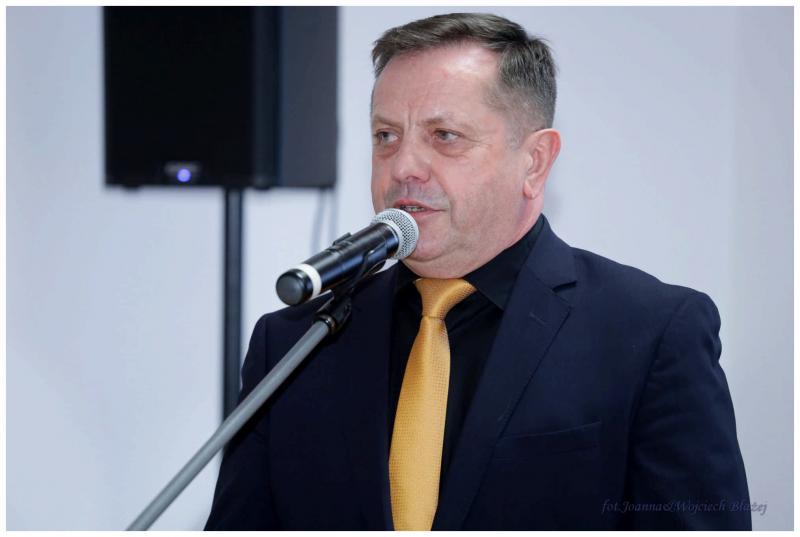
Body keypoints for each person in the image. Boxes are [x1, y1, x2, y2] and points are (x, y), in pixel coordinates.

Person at [205, 12, 750, 530]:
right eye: (386, 136)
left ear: (535, 162)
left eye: (444, 136)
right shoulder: (294, 345)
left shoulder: (649, 333)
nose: (403, 167)